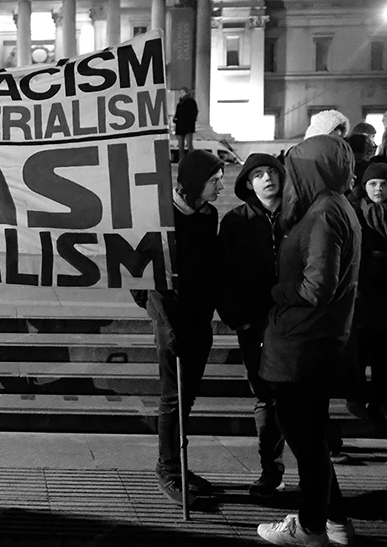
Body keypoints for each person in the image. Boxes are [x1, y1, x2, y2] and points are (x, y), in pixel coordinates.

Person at [257, 135, 359, 547]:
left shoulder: (322, 214)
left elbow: (317, 286)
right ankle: (335, 521)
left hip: (305, 340)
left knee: (302, 434)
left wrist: (276, 292)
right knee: (308, 431)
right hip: (315, 338)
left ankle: (312, 526)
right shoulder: (335, 206)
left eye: (296, 167)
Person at [134, 150, 224, 507]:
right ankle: (168, 470)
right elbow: (138, 271)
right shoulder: (160, 216)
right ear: (195, 181)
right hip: (171, 319)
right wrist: (158, 312)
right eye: (214, 179)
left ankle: (177, 465)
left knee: (186, 397)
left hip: (200, 317)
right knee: (173, 398)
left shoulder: (208, 214)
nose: (221, 185)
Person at [218, 153, 286, 499]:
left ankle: (315, 477)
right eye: (257, 174)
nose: (266, 179)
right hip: (254, 323)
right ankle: (270, 469)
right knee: (264, 396)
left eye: (271, 171)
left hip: (294, 321)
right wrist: (238, 318)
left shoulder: (299, 215)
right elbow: (226, 275)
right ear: (247, 183)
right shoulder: (236, 220)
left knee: (293, 397)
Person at [343, 163, 387, 423]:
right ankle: (357, 399)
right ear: (365, 186)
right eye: (373, 184)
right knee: (358, 350)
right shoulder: (354, 212)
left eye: (384, 184)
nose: (378, 189)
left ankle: (382, 400)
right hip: (363, 294)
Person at [173, 87, 198, 155]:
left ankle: (191, 160)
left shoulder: (191, 102)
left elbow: (194, 113)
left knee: (189, 144)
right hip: (181, 126)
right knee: (181, 145)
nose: (181, 94)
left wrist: (191, 120)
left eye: (183, 92)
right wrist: (175, 119)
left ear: (187, 93)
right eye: (180, 92)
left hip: (188, 126)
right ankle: (182, 161)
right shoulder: (179, 104)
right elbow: (177, 115)